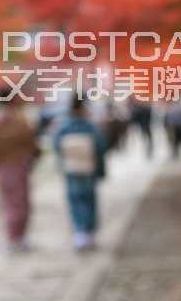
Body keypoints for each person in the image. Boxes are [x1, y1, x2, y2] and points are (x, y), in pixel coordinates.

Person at [0, 90, 39, 253]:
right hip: (20, 165)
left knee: (10, 203)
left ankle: (13, 237)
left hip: (3, 167)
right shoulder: (22, 121)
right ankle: (19, 237)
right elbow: (31, 144)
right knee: (22, 202)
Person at [54, 94, 106, 251]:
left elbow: (56, 145)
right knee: (89, 199)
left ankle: (80, 232)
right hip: (88, 167)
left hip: (71, 168)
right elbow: (100, 145)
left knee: (75, 199)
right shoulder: (89, 126)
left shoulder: (64, 126)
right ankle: (88, 232)